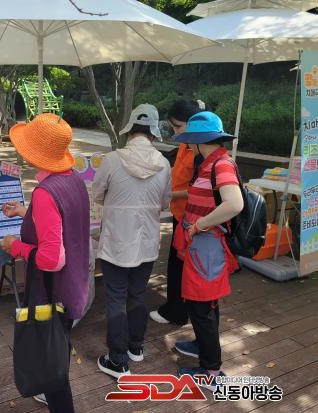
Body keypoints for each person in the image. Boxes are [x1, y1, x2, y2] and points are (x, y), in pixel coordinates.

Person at [0, 113, 90, 413]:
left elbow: (52, 259)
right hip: (75, 283)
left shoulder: (44, 193)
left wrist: (16, 247)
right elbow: (61, 223)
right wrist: (25, 212)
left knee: (53, 366)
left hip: (53, 291)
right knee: (58, 352)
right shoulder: (73, 179)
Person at [92, 104, 172, 378]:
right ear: (153, 133)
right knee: (138, 294)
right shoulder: (164, 164)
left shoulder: (112, 160)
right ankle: (136, 347)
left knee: (115, 297)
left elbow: (97, 194)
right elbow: (165, 202)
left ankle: (117, 360)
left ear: (130, 131)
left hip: (116, 241)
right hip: (147, 241)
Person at [172, 111, 243, 390]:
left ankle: (211, 371)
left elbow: (234, 204)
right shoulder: (210, 163)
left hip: (207, 246)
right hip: (201, 246)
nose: (188, 144)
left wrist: (201, 224)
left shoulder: (220, 164)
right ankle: (202, 345)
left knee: (203, 305)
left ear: (199, 140)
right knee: (202, 303)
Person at [150, 99, 206, 327]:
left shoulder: (202, 149)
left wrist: (170, 194)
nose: (175, 132)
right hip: (180, 212)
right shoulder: (187, 143)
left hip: (191, 218)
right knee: (176, 263)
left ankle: (177, 312)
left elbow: (199, 190)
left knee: (180, 265)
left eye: (178, 126)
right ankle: (178, 308)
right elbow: (179, 172)